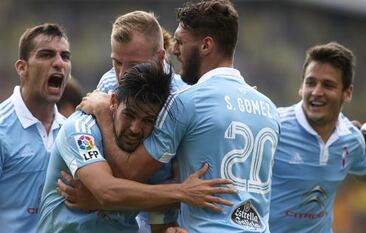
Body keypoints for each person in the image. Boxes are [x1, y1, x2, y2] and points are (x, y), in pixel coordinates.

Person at [79, 0, 281, 232]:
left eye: (181, 42)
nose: (175, 50)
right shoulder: (269, 108)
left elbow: (129, 171)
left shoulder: (185, 101)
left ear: (206, 46)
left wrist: (104, 116)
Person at [37, 62, 235, 233]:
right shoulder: (80, 131)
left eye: (148, 120)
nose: (135, 129)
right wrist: (183, 192)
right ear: (113, 102)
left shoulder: (150, 154)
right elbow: (106, 190)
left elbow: (159, 216)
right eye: (129, 115)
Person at [67, 10, 189, 233]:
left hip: (167, 221)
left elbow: (130, 174)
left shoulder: (180, 102)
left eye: (133, 65)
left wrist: (104, 117)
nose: (122, 75)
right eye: (116, 62)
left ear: (160, 57)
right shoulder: (109, 81)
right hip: (121, 217)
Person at [0, 23, 71, 233]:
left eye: (65, 56)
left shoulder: (71, 132)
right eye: (46, 54)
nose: (59, 63)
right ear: (22, 67)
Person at [268, 42, 366, 232]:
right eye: (311, 83)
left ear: (347, 93)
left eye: (328, 85)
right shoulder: (273, 126)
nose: (316, 92)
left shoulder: (352, 140)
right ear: (301, 87)